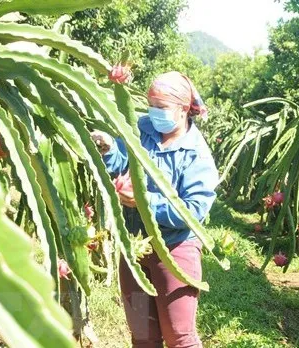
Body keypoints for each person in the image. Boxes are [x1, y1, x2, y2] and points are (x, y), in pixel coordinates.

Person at [92, 71, 218, 348]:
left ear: (184, 109)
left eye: (162, 107)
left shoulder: (196, 153)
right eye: (151, 105)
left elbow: (193, 211)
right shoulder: (142, 129)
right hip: (135, 249)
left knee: (179, 336)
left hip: (175, 250)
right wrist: (109, 148)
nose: (154, 113)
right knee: (142, 336)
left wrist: (143, 200)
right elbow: (119, 161)